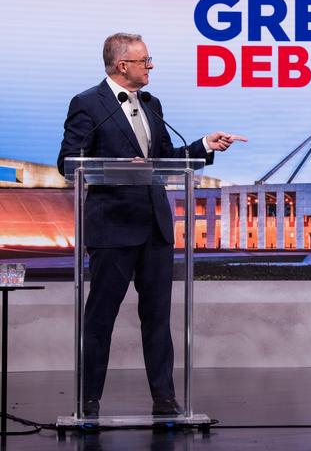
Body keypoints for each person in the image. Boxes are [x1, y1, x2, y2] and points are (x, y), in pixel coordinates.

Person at [57, 32, 245, 418]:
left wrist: (205, 145)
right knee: (100, 318)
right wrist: (114, 168)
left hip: (155, 228)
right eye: (145, 61)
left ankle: (165, 400)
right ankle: (88, 402)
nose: (151, 66)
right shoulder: (87, 105)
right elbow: (68, 162)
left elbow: (166, 159)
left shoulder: (152, 104)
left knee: (158, 318)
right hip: (112, 228)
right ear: (122, 65)